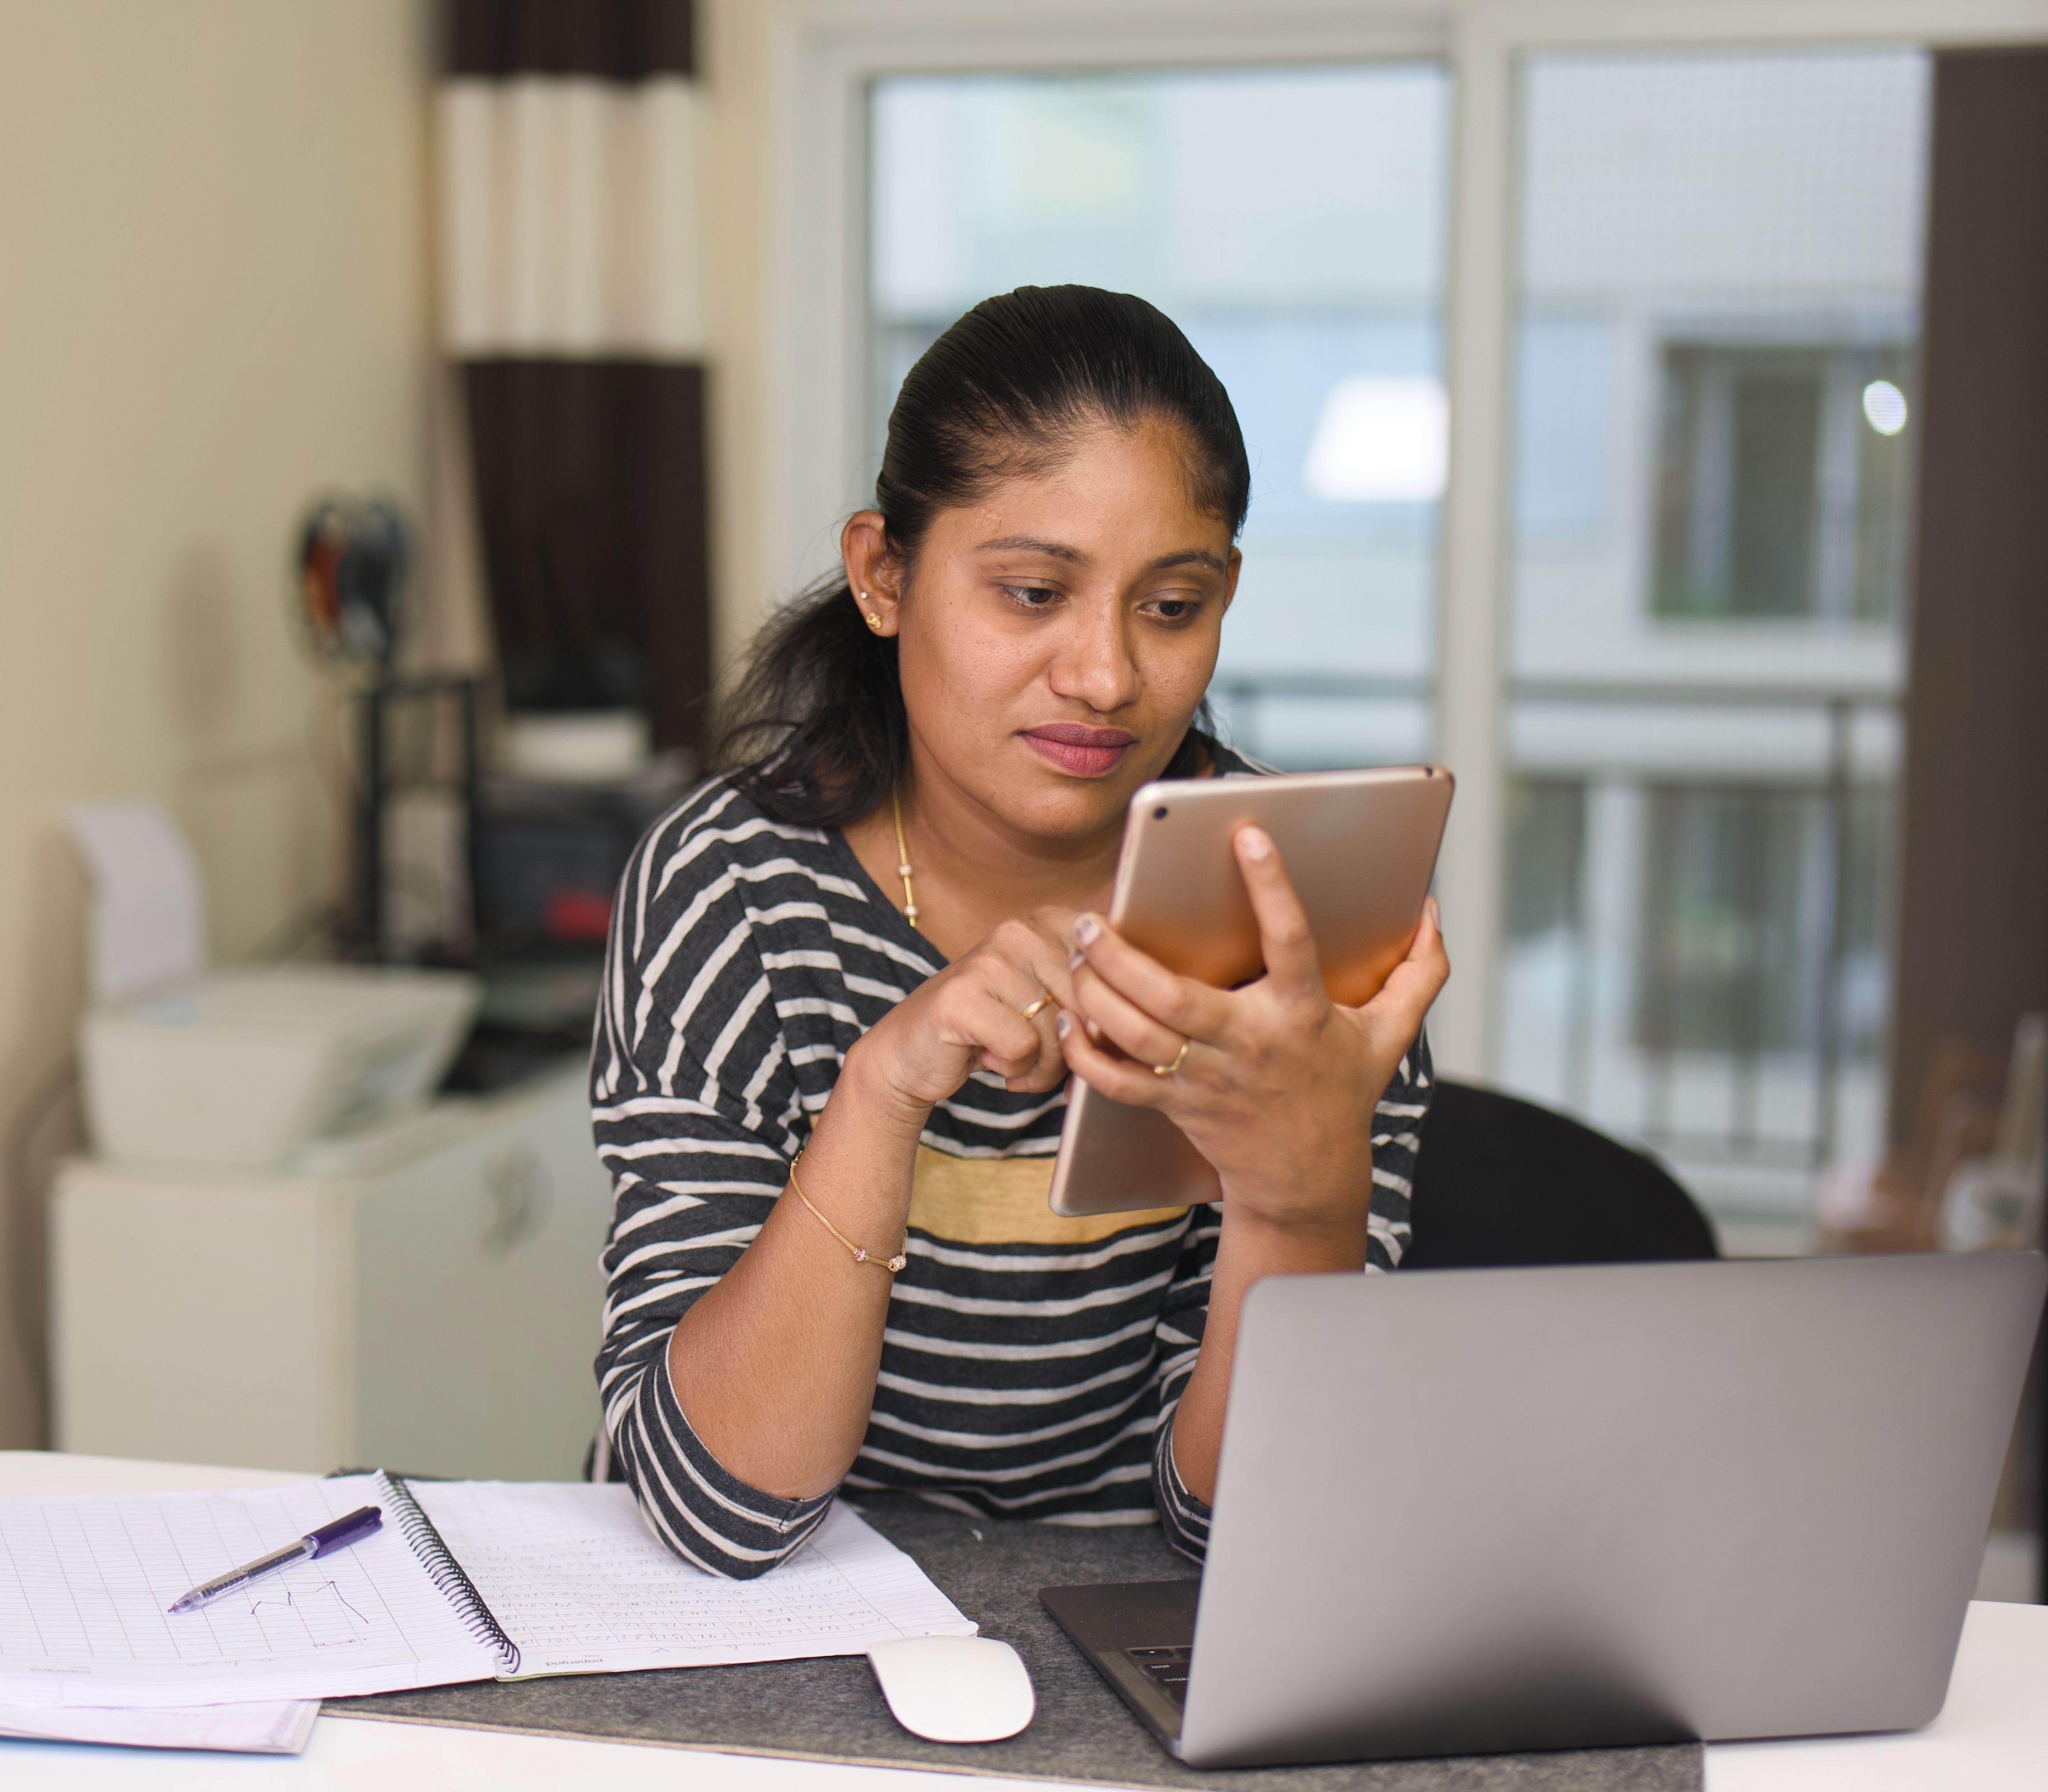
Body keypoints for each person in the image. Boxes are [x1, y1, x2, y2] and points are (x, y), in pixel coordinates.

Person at [588, 284, 1449, 1577]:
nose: (1105, 676)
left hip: (1137, 1637)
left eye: (1171, 606)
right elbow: (723, 1510)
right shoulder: (734, 890)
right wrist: (881, 1090)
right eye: (1036, 592)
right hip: (795, 1620)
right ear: (885, 574)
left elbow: (1254, 1525)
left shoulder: (1293, 921)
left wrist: (1299, 1188)